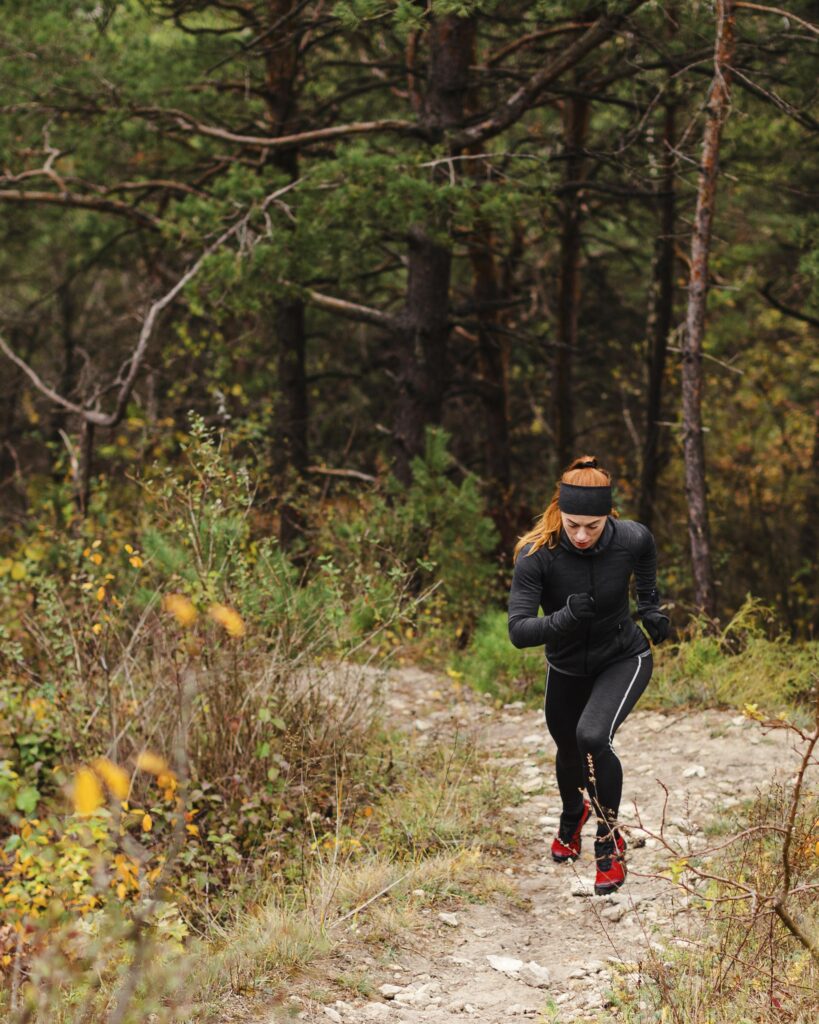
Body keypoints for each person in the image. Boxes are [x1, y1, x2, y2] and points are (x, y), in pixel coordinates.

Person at [507, 456, 670, 894]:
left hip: (623, 657)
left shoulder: (631, 537)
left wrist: (650, 606)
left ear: (607, 517)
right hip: (565, 666)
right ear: (560, 511)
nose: (581, 535)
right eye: (573, 524)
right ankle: (570, 816)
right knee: (567, 749)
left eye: (592, 526)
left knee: (593, 737)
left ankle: (607, 841)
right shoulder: (537, 555)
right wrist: (563, 619)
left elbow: (647, 559)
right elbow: (519, 632)